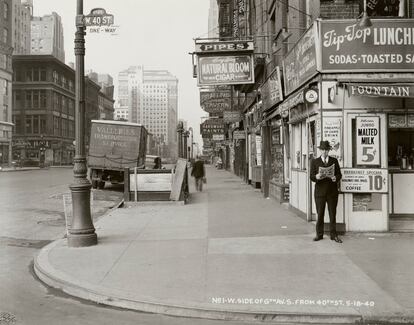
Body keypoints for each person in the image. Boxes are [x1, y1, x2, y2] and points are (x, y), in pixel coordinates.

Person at [310, 140, 343, 243]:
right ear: (320, 150)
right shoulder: (315, 161)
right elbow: (311, 176)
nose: (324, 152)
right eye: (323, 150)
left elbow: (339, 174)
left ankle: (334, 235)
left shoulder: (334, 161)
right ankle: (319, 234)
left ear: (329, 150)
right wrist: (316, 176)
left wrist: (335, 178)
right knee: (320, 214)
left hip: (332, 192)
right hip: (320, 192)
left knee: (332, 214)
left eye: (326, 150)